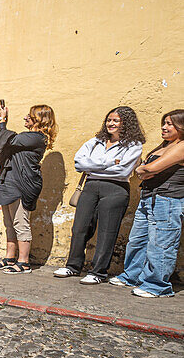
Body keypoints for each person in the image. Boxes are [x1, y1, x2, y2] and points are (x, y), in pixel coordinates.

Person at [55, 107, 145, 283]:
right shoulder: (95, 141)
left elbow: (122, 171)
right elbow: (79, 164)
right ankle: (73, 266)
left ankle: (98, 272)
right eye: (109, 120)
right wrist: (110, 162)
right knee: (80, 227)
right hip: (90, 186)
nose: (110, 124)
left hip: (116, 189)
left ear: (126, 123)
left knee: (107, 231)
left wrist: (93, 165)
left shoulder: (134, 145)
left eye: (116, 121)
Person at [110, 109, 184, 297]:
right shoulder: (164, 146)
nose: (164, 127)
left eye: (169, 124)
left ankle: (156, 285)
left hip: (168, 199)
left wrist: (145, 170)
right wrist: (145, 170)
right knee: (138, 240)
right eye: (164, 123)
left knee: (162, 243)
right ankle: (132, 276)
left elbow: (150, 168)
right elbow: (143, 170)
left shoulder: (182, 146)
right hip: (148, 197)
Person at [0, 102, 57, 273]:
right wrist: (1, 121)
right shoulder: (27, 137)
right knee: (9, 223)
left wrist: (4, 120)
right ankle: (10, 257)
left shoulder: (37, 137)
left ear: (40, 120)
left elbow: (9, 139)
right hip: (8, 181)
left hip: (22, 183)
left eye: (30, 115)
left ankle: (24, 262)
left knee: (20, 222)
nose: (26, 117)